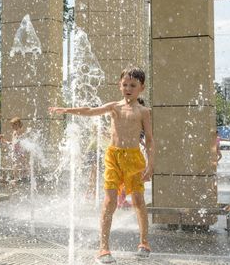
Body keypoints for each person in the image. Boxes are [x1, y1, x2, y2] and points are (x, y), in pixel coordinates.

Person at [49, 66, 154, 264]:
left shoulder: (144, 112)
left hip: (133, 158)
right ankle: (103, 247)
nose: (128, 88)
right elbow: (90, 111)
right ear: (119, 85)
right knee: (109, 201)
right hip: (113, 157)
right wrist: (67, 110)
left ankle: (144, 242)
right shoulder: (114, 107)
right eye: (125, 85)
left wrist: (151, 164)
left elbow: (149, 139)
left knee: (138, 201)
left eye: (133, 85)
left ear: (142, 88)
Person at [2, 117, 27, 184]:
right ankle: (22, 177)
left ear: (17, 124)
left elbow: (17, 141)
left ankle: (17, 178)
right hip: (17, 150)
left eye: (13, 125)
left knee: (17, 163)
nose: (12, 126)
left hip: (17, 150)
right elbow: (13, 142)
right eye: (12, 125)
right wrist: (6, 142)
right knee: (21, 163)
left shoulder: (17, 131)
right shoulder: (15, 132)